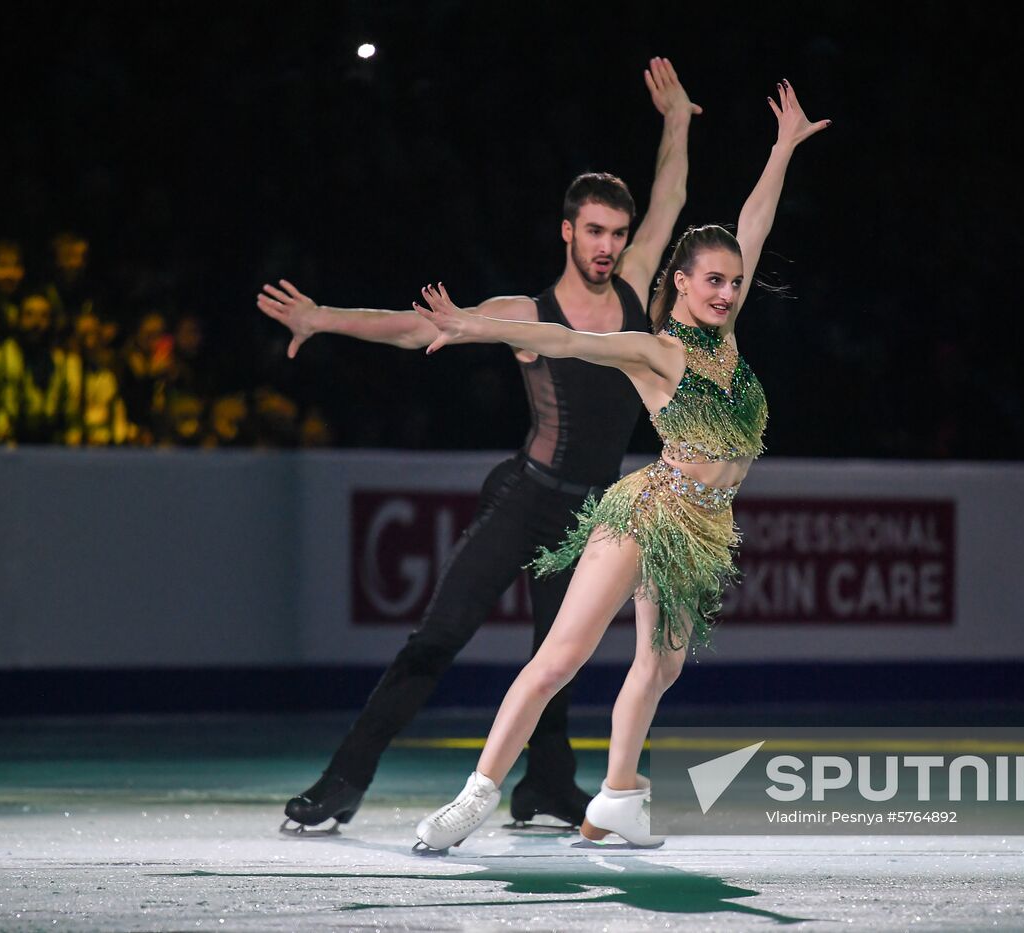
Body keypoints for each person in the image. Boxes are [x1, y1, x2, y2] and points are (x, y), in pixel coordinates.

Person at [256, 58, 702, 834]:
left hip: (593, 513)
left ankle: (545, 786)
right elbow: (413, 326)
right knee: (437, 638)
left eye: (617, 234)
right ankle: (342, 779)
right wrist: (322, 317)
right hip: (525, 500)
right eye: (593, 231)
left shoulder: (634, 289)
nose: (607, 246)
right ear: (567, 231)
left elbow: (672, 194)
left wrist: (676, 121)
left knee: (558, 661)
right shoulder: (522, 312)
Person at [412, 79, 829, 851]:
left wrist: (781, 149)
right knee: (559, 658)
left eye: (734, 283)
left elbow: (753, 225)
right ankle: (474, 796)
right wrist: (469, 325)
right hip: (649, 511)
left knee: (659, 667)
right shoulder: (657, 347)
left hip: (704, 527)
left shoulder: (727, 334)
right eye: (713, 280)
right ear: (680, 281)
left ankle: (617, 797)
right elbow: (571, 341)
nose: (728, 291)